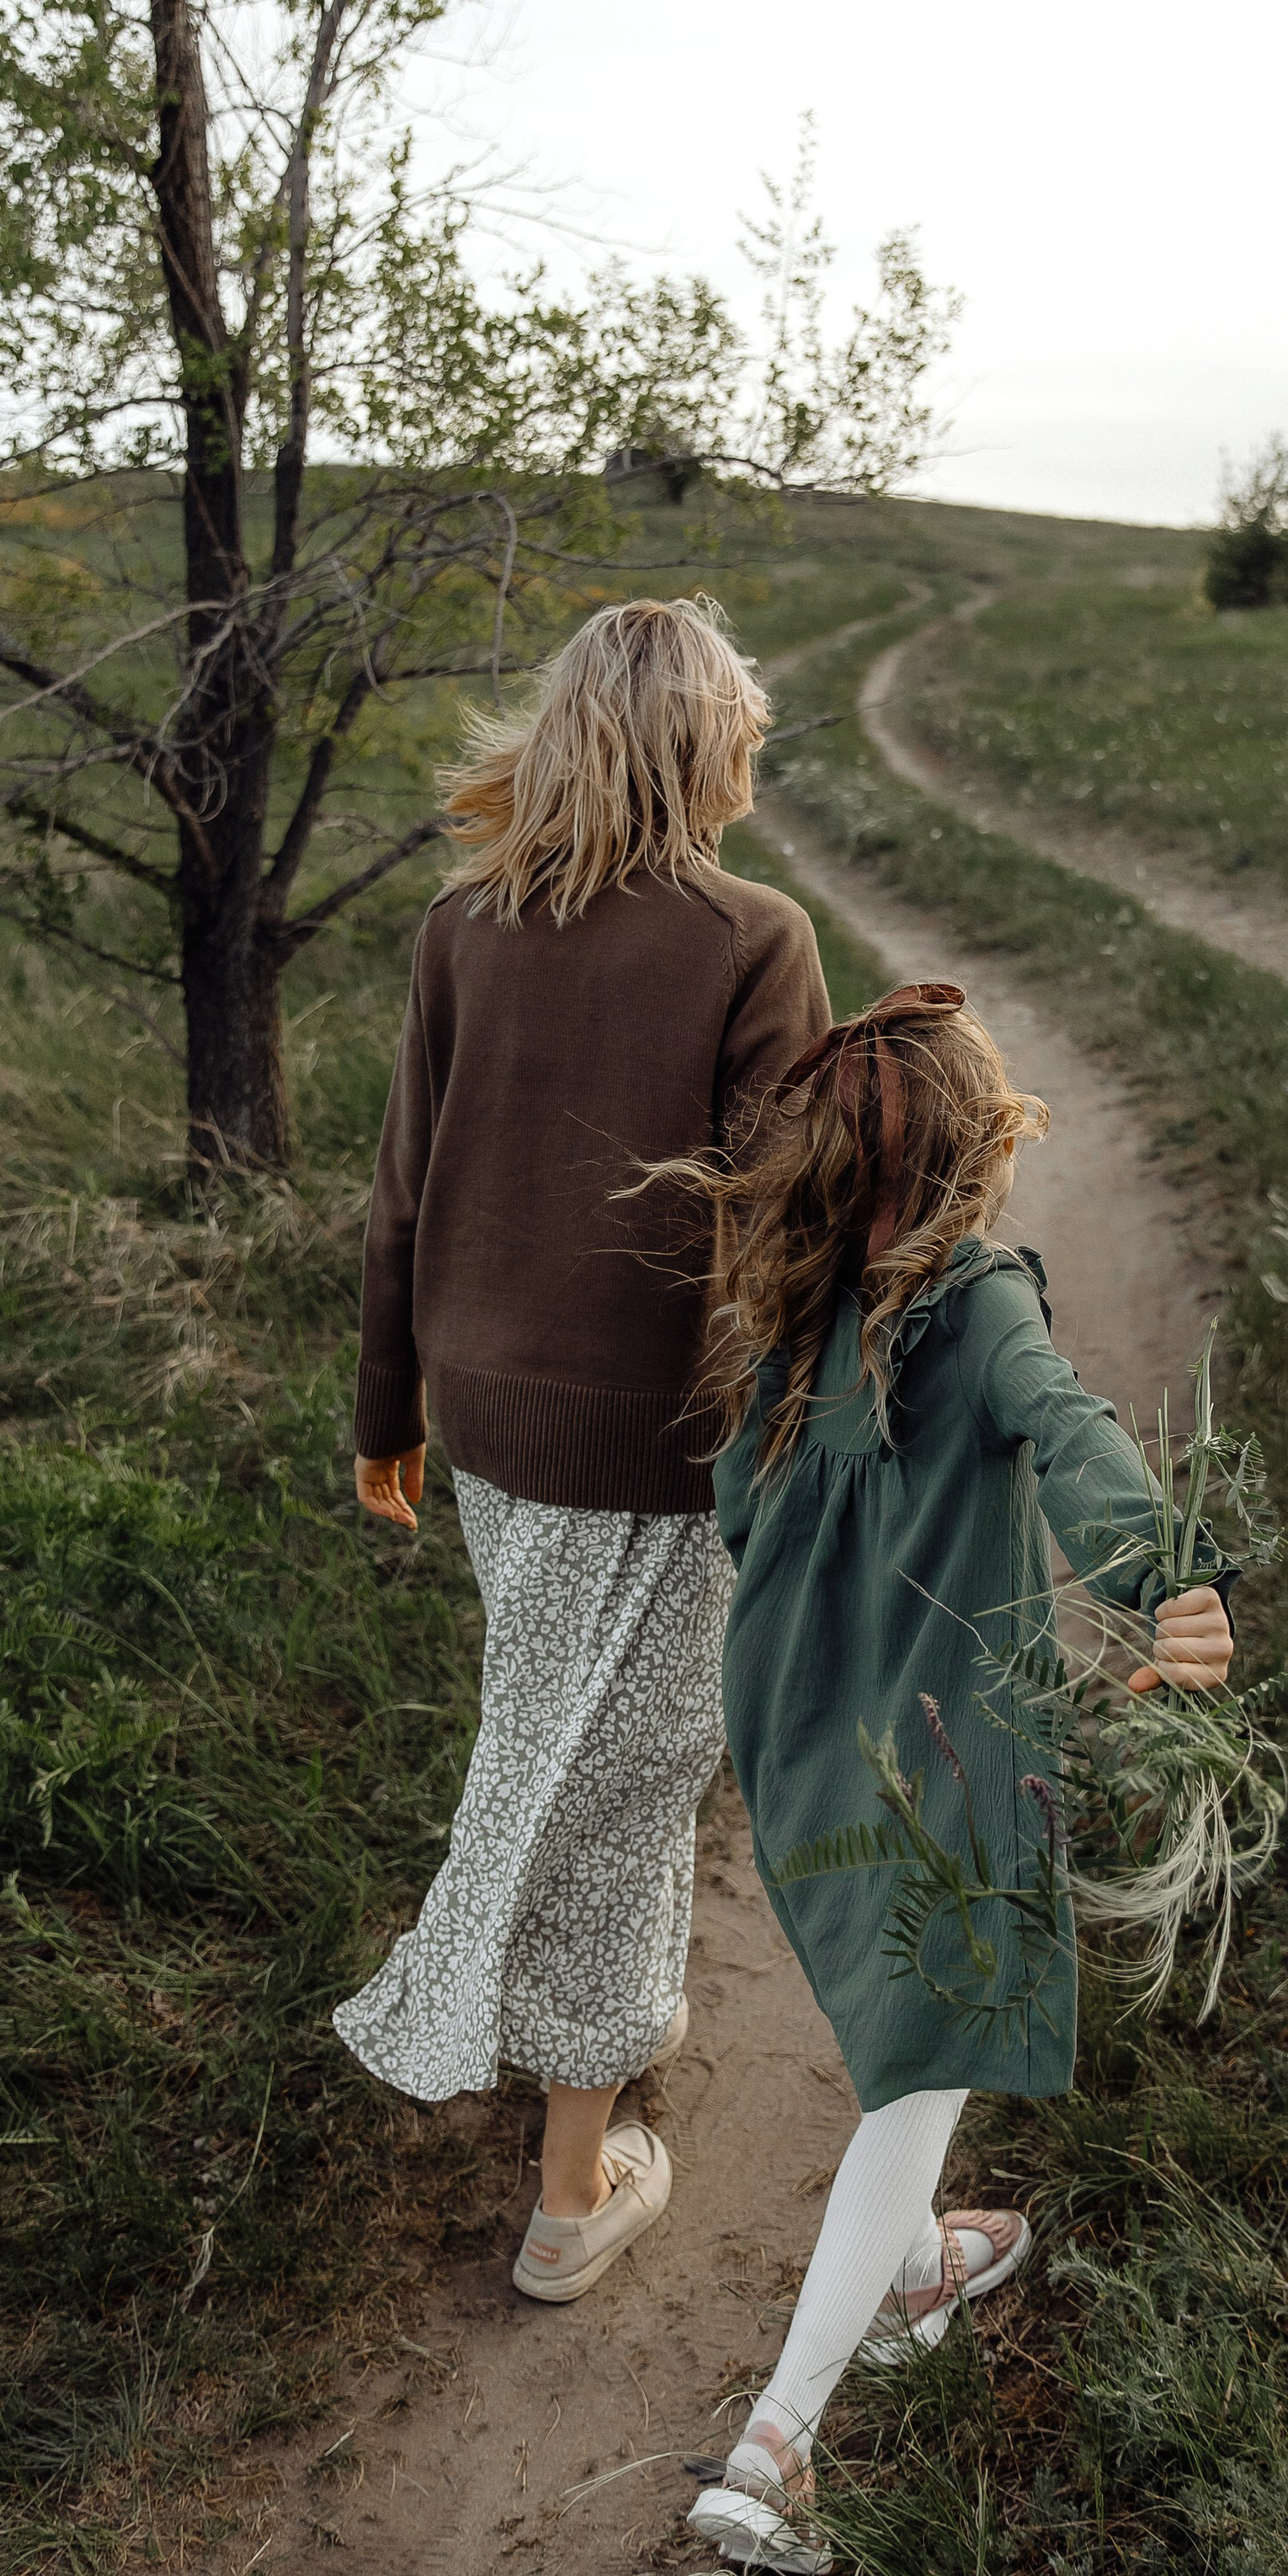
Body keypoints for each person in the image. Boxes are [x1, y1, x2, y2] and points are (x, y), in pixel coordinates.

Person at [654, 984, 1237, 2575]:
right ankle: (774, 2451)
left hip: (789, 1721)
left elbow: (729, 1506)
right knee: (922, 2070)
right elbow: (1069, 1429)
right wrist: (1170, 1574)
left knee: (898, 2023)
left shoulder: (788, 1304)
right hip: (937, 1744)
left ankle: (919, 2271)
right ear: (980, 1162)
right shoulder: (978, 1305)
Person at [334, 596, 828, 2304]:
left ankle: (515, 2028)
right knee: (615, 1789)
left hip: (488, 1427)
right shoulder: (751, 936)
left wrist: (384, 1412)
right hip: (662, 1446)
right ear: (709, 749)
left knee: (566, 1743)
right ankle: (568, 2190)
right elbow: (789, 1227)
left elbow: (399, 1193)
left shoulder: (464, 925)